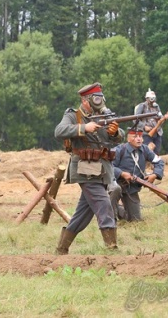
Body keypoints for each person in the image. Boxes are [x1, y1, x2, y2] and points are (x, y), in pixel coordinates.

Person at [54, 82, 123, 255]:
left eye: (101, 98)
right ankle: (112, 248)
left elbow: (117, 138)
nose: (100, 102)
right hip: (84, 169)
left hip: (101, 169)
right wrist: (84, 128)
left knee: (82, 215)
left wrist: (115, 133)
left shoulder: (104, 115)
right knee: (104, 203)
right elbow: (59, 131)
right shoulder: (73, 115)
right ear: (85, 101)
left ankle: (61, 249)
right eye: (96, 98)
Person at [109, 127, 165, 222]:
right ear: (128, 139)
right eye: (135, 136)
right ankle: (110, 214)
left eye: (140, 136)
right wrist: (121, 173)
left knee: (135, 219)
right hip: (115, 184)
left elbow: (159, 162)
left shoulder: (145, 149)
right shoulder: (119, 150)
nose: (138, 139)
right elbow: (109, 166)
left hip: (131, 188)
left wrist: (155, 174)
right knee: (114, 192)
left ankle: (119, 210)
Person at [134, 88, 164, 154]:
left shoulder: (156, 106)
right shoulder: (142, 106)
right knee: (148, 151)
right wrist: (144, 127)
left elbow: (161, 116)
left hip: (157, 132)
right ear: (147, 98)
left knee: (157, 152)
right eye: (151, 98)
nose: (153, 100)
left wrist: (161, 120)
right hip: (146, 134)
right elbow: (135, 120)